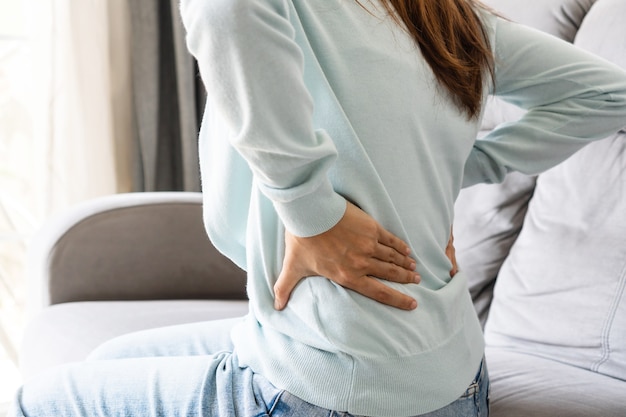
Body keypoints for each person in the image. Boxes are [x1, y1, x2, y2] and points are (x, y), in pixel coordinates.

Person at [10, 0, 626, 416]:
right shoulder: (439, 16)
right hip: (458, 382)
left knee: (33, 403)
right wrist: (443, 175)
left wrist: (313, 213)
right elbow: (609, 93)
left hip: (337, 387)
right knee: (110, 359)